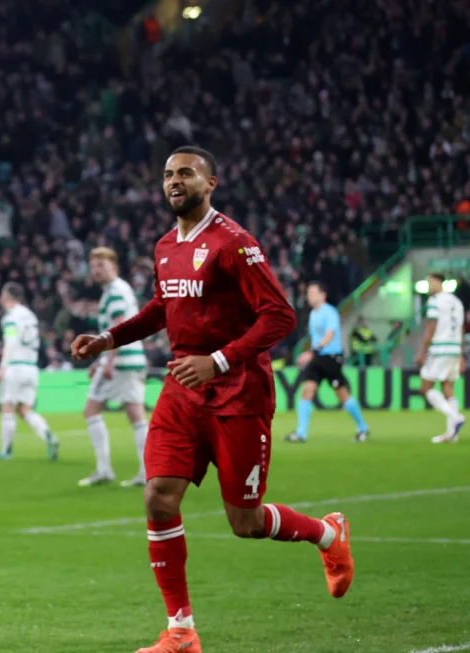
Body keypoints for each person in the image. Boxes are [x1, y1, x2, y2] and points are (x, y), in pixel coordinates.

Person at [72, 147, 354, 653]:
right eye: (167, 175)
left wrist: (219, 361)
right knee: (158, 495)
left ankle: (327, 534)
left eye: (185, 173)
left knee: (244, 523)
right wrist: (108, 339)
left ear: (211, 183)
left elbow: (280, 317)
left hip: (238, 391)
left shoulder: (235, 244)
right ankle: (180, 629)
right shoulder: (164, 246)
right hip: (183, 389)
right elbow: (164, 306)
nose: (174, 181)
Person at [80, 247, 149, 487]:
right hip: (130, 358)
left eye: (102, 265)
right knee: (135, 414)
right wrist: (100, 360)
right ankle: (146, 471)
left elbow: (120, 327)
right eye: (94, 266)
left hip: (121, 361)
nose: (97, 270)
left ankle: (105, 470)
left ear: (114, 266)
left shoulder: (115, 291)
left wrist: (108, 361)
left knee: (91, 410)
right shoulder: (118, 289)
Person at [286, 282, 370, 443]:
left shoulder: (330, 312)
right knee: (307, 391)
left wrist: (312, 352)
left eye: (312, 293)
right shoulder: (313, 314)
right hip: (318, 357)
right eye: (308, 293)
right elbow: (316, 338)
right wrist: (311, 352)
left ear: (322, 295)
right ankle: (301, 433)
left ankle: (363, 427)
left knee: (343, 395)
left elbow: (329, 336)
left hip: (331, 358)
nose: (309, 296)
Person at [0, 281, 58, 461]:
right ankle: (49, 436)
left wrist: (3, 367)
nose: (0, 298)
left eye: (3, 294)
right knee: (25, 409)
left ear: (8, 296)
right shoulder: (30, 315)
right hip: (31, 367)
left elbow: (11, 342)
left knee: (7, 407)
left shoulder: (10, 317)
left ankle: (5, 451)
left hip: (15, 366)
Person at [416, 272, 466, 443]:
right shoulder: (457, 302)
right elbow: (461, 328)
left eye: (430, 283)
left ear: (439, 283)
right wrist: (461, 354)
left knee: (425, 387)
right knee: (448, 389)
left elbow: (431, 327)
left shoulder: (435, 301)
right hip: (453, 349)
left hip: (439, 349)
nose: (429, 286)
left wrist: (423, 351)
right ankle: (452, 434)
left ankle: (456, 417)